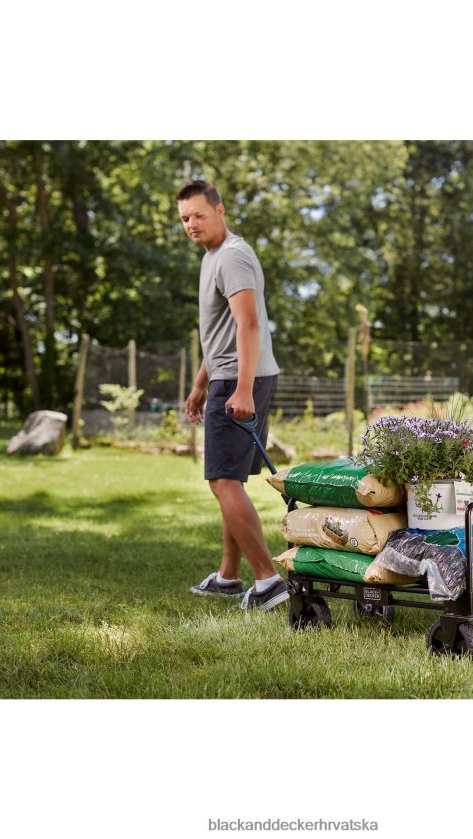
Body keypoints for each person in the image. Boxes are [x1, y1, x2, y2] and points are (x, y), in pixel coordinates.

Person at [177, 180, 288, 610]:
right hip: (231, 377)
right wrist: (200, 383)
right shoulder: (213, 256)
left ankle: (268, 581)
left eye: (199, 215)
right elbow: (220, 333)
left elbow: (249, 324)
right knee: (231, 480)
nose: (191, 224)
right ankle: (227, 576)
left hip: (241, 381)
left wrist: (241, 389)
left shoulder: (232, 256)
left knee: (223, 481)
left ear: (220, 210)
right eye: (185, 218)